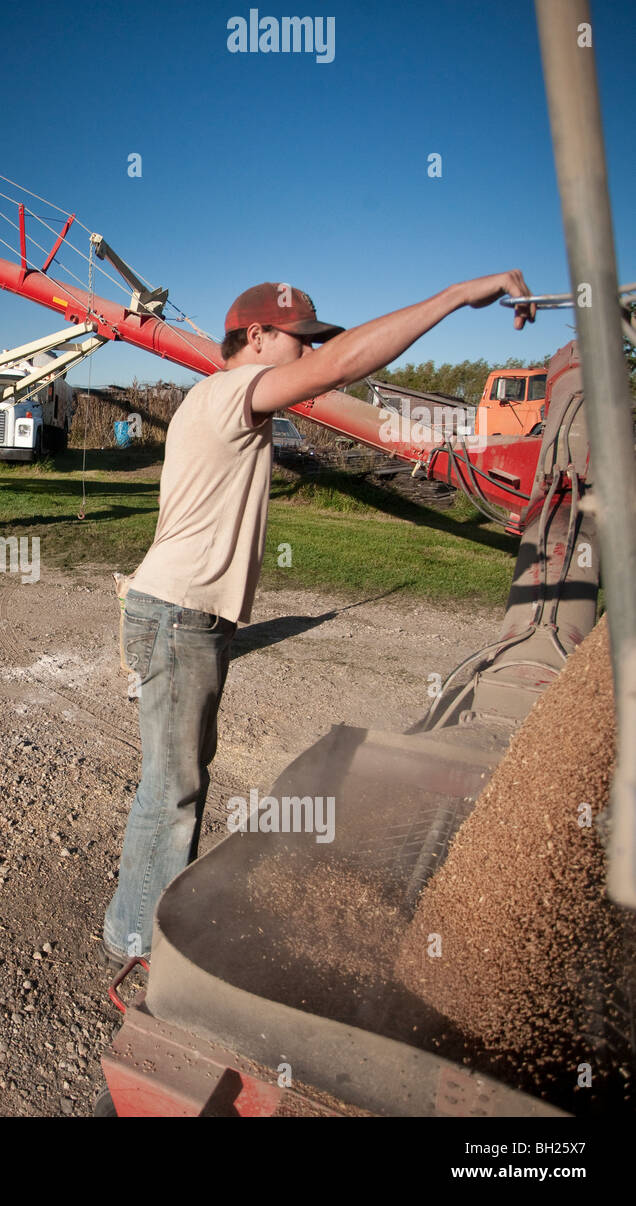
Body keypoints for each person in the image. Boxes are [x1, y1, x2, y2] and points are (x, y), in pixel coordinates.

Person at [102, 272, 534, 965]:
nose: (308, 356)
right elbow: (339, 368)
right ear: (254, 337)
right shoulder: (230, 392)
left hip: (185, 616)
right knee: (172, 786)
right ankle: (138, 942)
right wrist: (454, 297)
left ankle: (141, 925)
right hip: (181, 616)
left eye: (312, 344)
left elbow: (327, 372)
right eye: (298, 341)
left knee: (180, 778)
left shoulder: (221, 401)